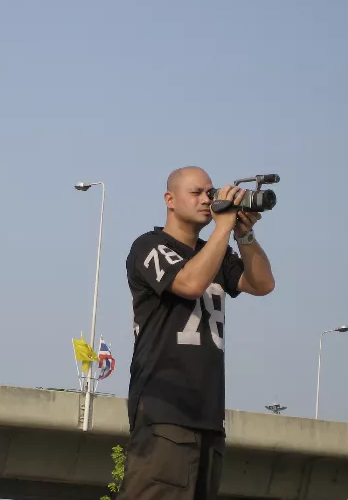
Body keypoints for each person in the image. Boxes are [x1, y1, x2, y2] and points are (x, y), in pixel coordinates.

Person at [117, 166, 275, 500]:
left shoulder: (217, 252)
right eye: (197, 193)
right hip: (164, 414)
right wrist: (223, 227)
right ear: (170, 200)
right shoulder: (149, 246)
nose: (207, 198)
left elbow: (262, 284)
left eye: (210, 191)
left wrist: (244, 235)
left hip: (208, 417)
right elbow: (189, 283)